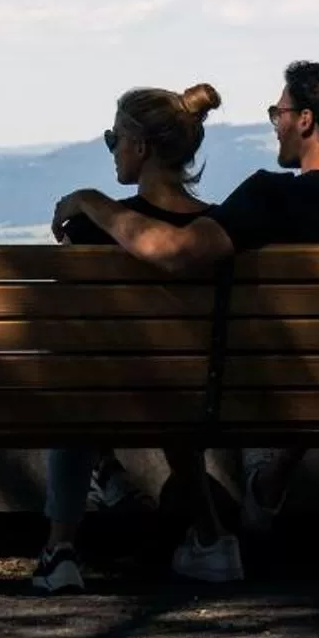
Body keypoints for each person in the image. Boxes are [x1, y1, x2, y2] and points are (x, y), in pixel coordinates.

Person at [33, 60, 319, 593]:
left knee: (126, 372)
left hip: (228, 393)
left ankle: (86, 524)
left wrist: (89, 201)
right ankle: (268, 483)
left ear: (305, 121)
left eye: (279, 113)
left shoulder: (272, 198)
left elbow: (174, 251)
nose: (274, 123)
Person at [31, 81, 222, 594]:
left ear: (140, 147)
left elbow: (64, 332)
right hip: (200, 396)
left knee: (77, 386)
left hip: (106, 398)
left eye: (113, 139)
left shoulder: (94, 231)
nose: (112, 149)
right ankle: (210, 536)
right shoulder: (216, 231)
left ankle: (62, 548)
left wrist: (88, 205)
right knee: (150, 385)